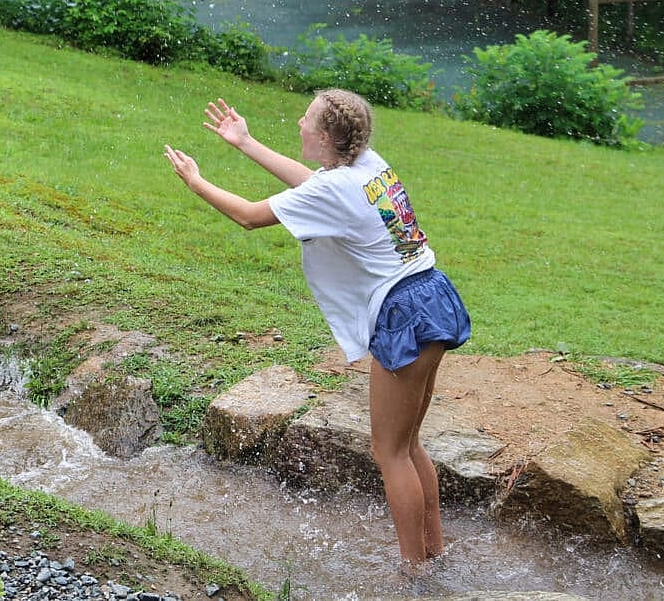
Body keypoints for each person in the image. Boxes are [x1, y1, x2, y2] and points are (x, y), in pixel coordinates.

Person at [163, 90, 470, 571]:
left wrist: (196, 181)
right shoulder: (367, 164)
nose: (299, 122)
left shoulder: (338, 186)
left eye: (306, 119)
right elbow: (314, 185)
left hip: (404, 314)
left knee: (389, 452)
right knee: (408, 444)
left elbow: (248, 216)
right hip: (432, 294)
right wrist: (245, 143)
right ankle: (435, 553)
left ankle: (415, 573)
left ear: (324, 136)